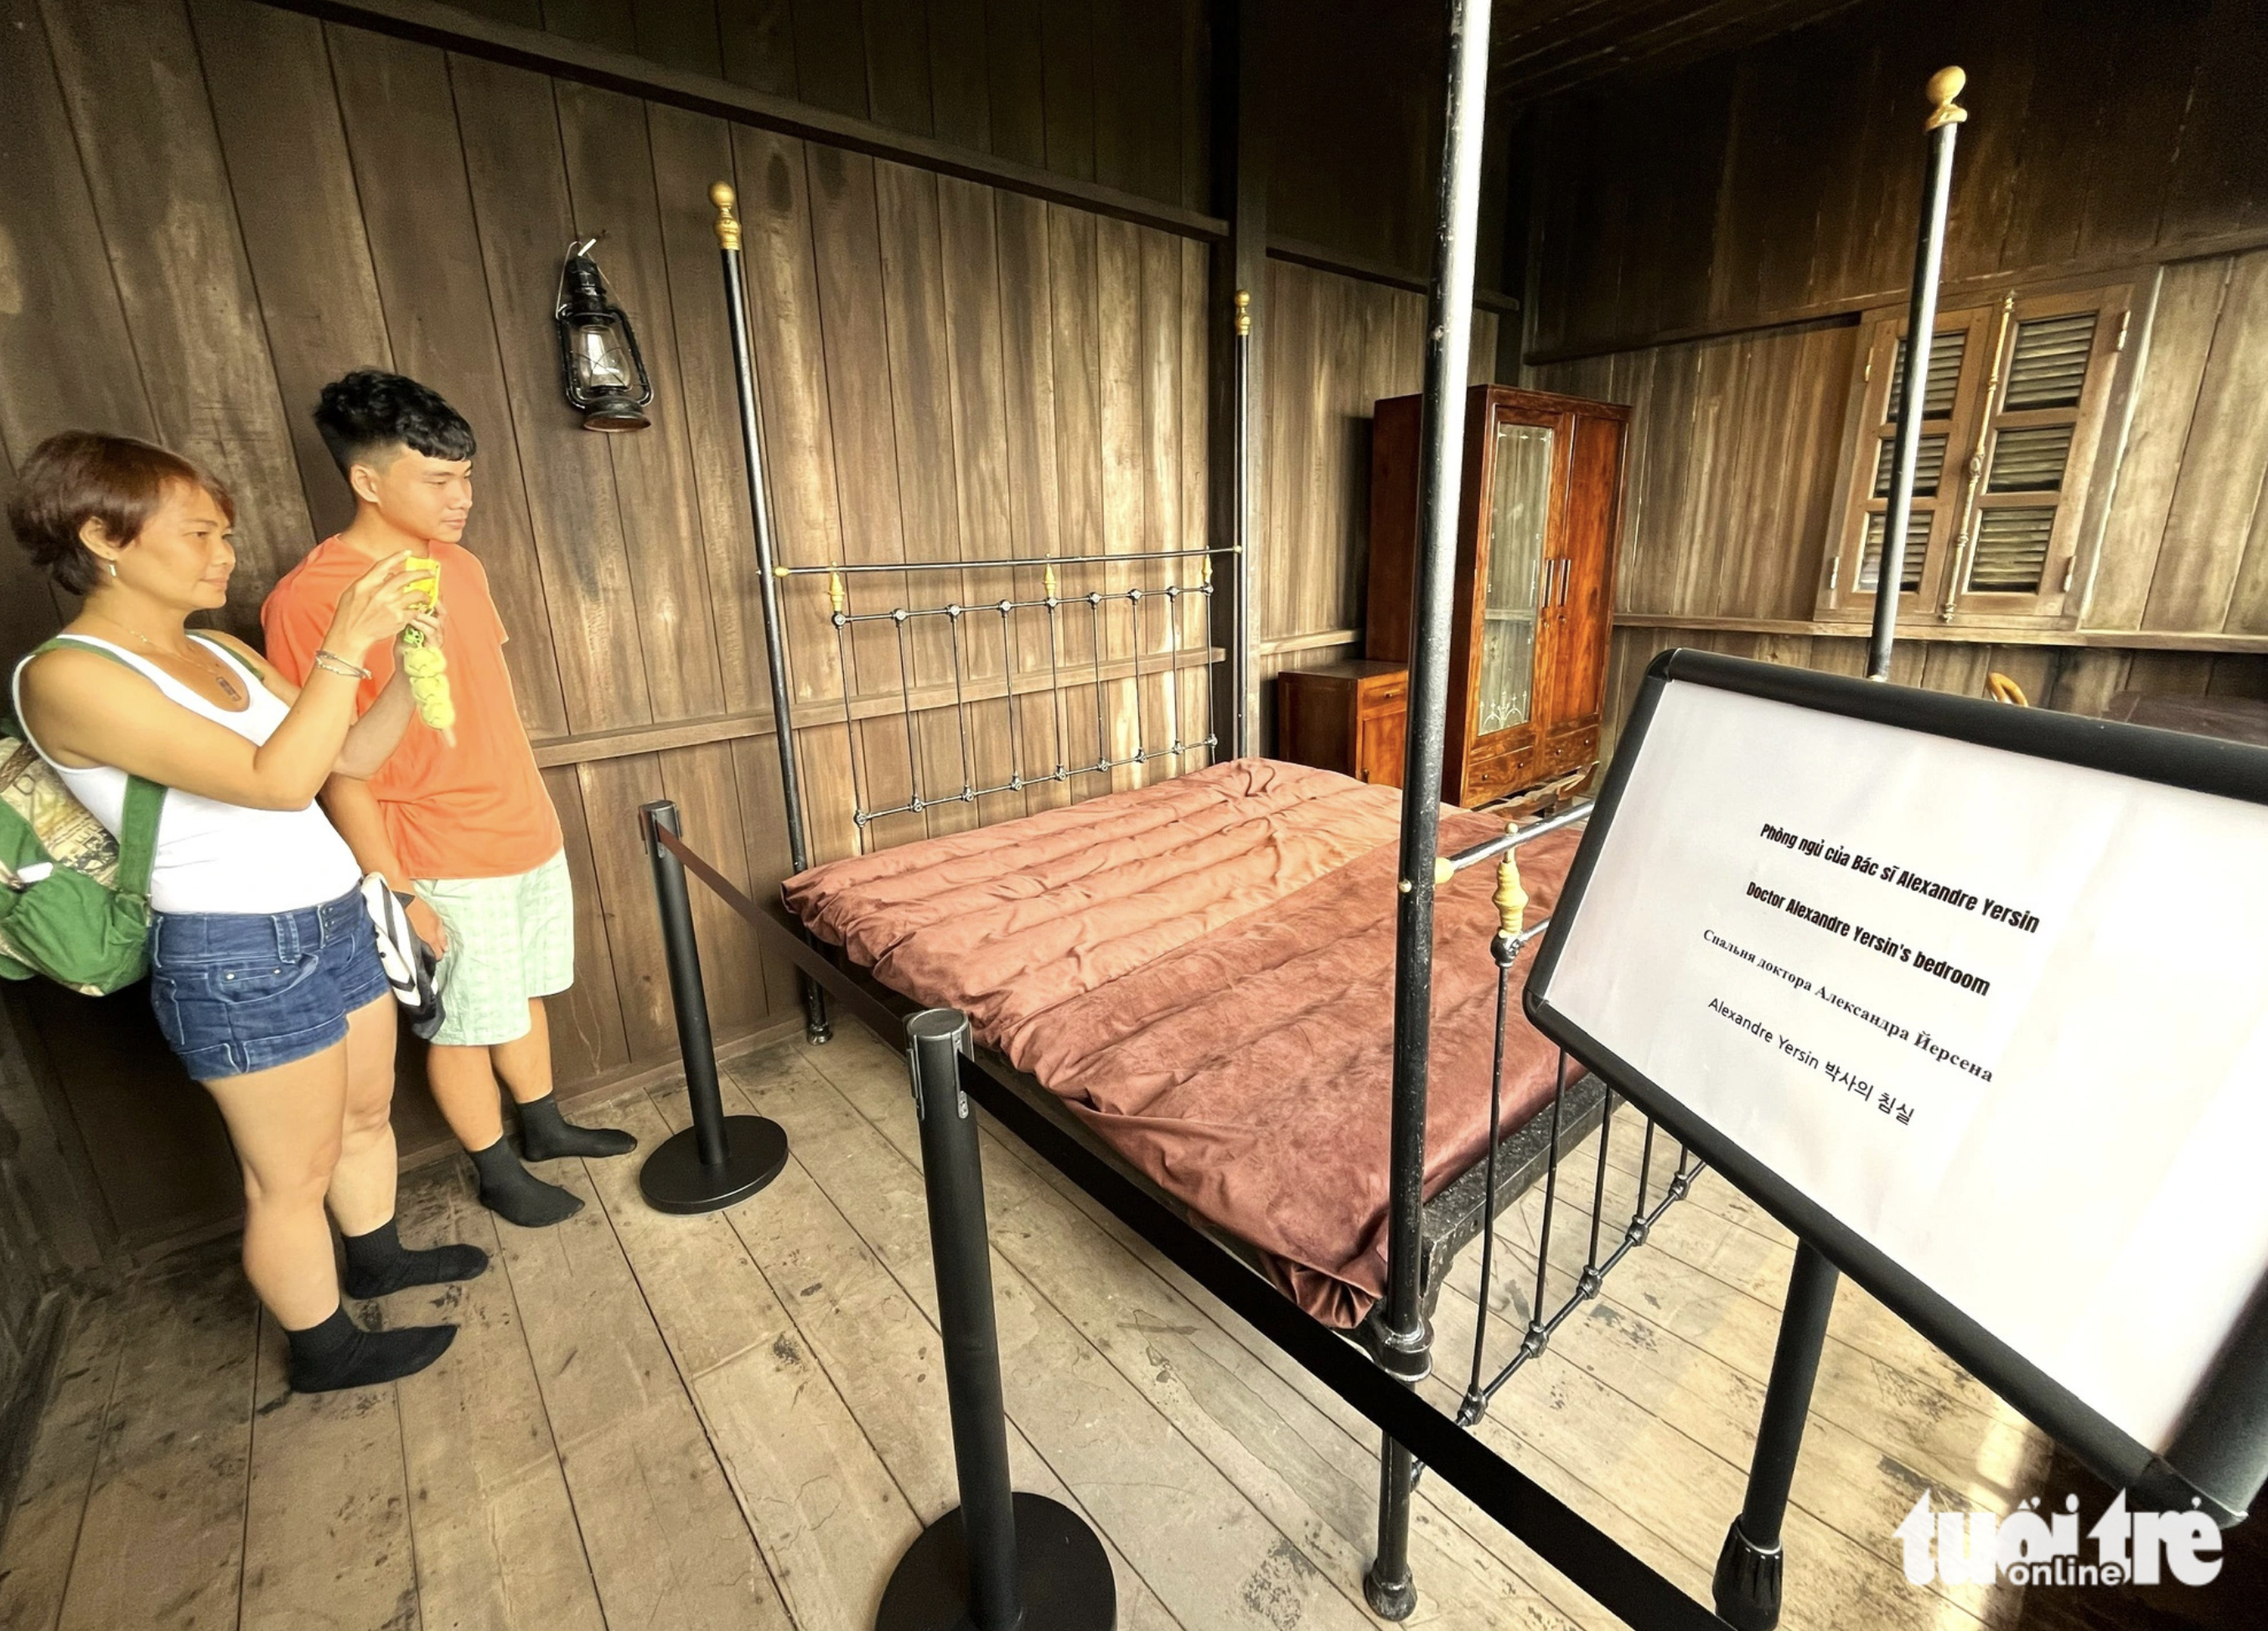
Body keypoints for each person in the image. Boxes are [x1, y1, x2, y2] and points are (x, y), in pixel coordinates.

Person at [9, 431, 487, 1392]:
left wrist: (401, 660)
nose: (224, 552)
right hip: (237, 950)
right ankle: (326, 1349)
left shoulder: (219, 648)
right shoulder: (67, 676)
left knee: (361, 1115)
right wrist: (342, 645)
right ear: (103, 535)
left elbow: (343, 759)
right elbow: (276, 782)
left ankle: (378, 1256)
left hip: (333, 916)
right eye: (199, 532)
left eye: (226, 532)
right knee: (289, 1175)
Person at [261, 370, 633, 1230]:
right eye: (437, 479)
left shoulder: (458, 565)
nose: (462, 496)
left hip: (520, 824)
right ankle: (496, 1167)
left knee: (524, 989)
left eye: (465, 475)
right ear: (366, 479)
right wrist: (395, 885)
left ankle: (543, 1123)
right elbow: (330, 765)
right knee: (465, 1021)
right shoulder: (312, 597)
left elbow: (486, 694)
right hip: (433, 844)